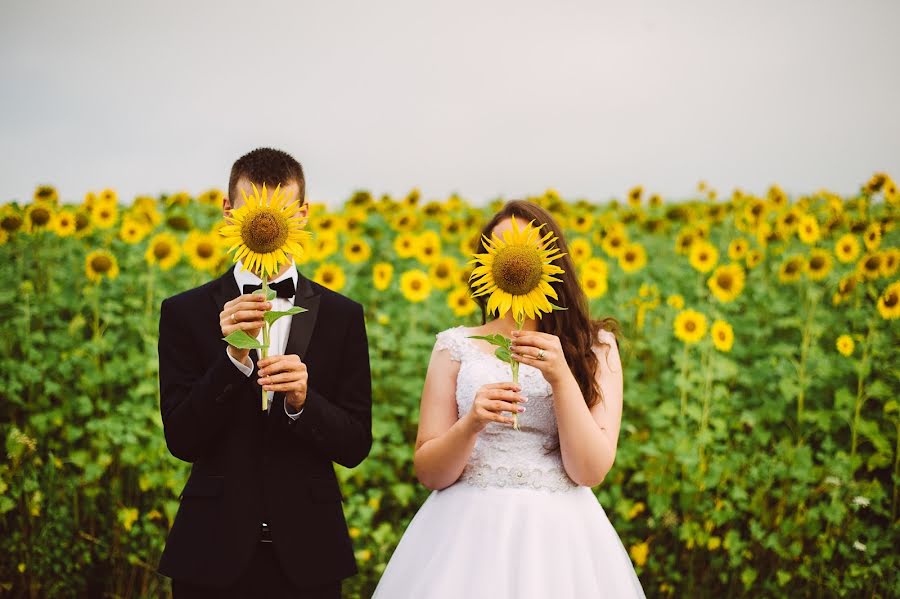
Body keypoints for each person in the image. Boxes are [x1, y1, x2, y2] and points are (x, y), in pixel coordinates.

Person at [372, 199, 646, 598]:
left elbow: (589, 471)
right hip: (465, 534)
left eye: (528, 250)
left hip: (561, 538)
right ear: (487, 264)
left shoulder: (596, 347)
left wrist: (561, 378)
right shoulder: (455, 346)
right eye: (501, 250)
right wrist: (471, 423)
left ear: (553, 261)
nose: (514, 260)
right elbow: (430, 473)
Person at [156, 147, 372, 598]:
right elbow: (181, 439)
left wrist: (303, 403)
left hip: (309, 554)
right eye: (254, 208)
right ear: (228, 210)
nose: (268, 221)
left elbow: (355, 445)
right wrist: (231, 361)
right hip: (210, 552)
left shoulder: (341, 315)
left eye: (282, 211)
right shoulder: (185, 312)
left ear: (304, 214)